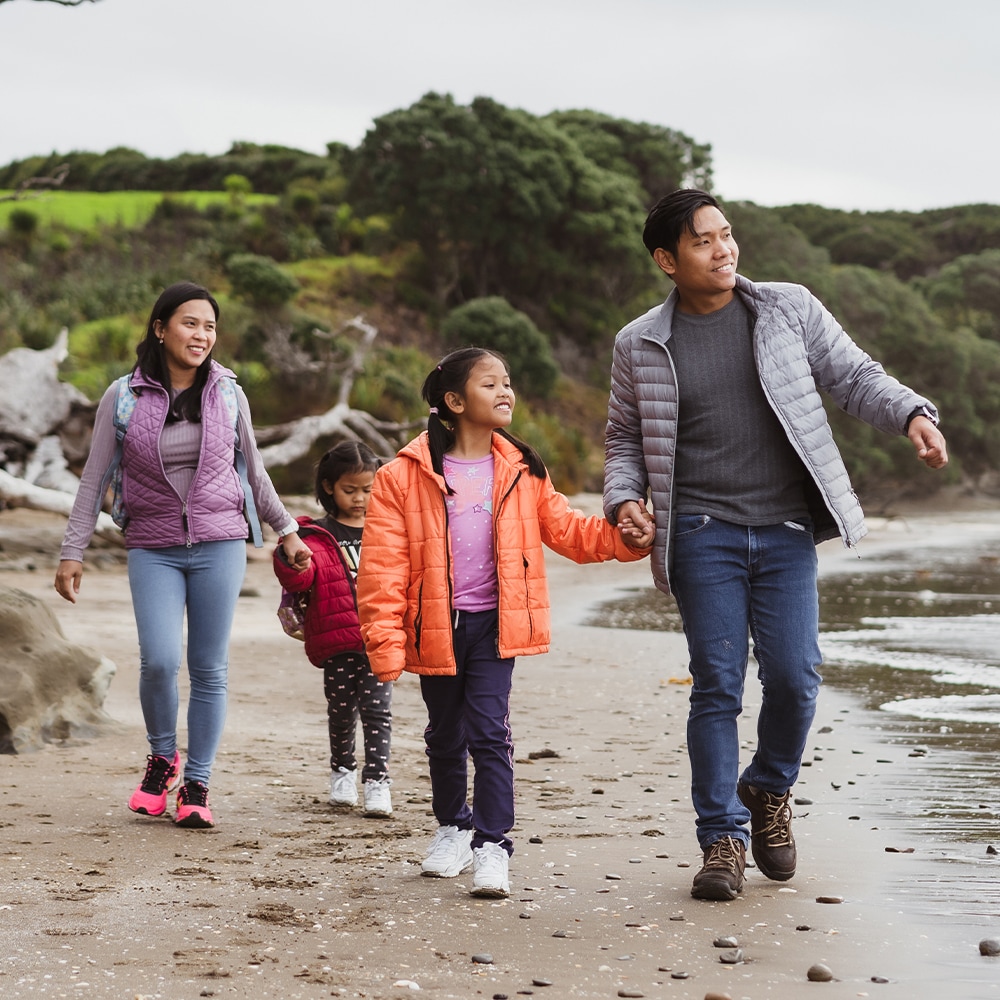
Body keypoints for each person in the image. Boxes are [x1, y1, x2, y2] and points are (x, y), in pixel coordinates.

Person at [603, 189, 949, 901]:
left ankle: (767, 789)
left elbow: (853, 377)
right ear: (668, 259)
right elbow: (623, 441)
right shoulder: (640, 342)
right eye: (704, 241)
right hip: (700, 531)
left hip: (788, 526)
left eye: (727, 235)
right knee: (717, 685)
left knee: (795, 677)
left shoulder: (787, 307)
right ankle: (723, 839)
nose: (724, 250)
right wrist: (624, 498)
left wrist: (911, 411)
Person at [356, 347, 650, 898]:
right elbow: (381, 568)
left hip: (496, 625)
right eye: (490, 384)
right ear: (454, 400)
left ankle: (493, 845)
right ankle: (453, 828)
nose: (505, 392)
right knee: (444, 735)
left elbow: (569, 532)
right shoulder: (402, 475)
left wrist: (622, 539)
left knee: (490, 732)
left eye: (507, 382)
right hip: (435, 626)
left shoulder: (522, 469)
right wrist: (385, 640)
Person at [54, 281, 311, 830]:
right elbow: (93, 476)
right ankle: (162, 757)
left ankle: (198, 782)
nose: (202, 335)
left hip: (220, 542)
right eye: (190, 323)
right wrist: (71, 551)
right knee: (160, 661)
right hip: (153, 544)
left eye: (210, 326)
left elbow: (254, 470)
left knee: (209, 668)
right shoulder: (123, 396)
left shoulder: (228, 393)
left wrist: (286, 529)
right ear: (160, 328)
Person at [272, 440, 393, 817]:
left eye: (368, 490)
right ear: (328, 487)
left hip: (379, 637)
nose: (360, 499)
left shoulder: (387, 529)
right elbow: (299, 581)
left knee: (377, 712)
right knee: (341, 710)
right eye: (350, 490)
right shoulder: (314, 534)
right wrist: (295, 562)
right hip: (336, 639)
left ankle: (377, 782)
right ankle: (343, 772)